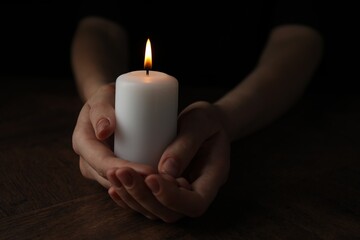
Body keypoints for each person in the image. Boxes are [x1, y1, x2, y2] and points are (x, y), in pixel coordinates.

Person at [71, 1, 323, 222]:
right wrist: (99, 98)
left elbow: (298, 36)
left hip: (262, 121)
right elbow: (99, 27)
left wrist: (225, 118)